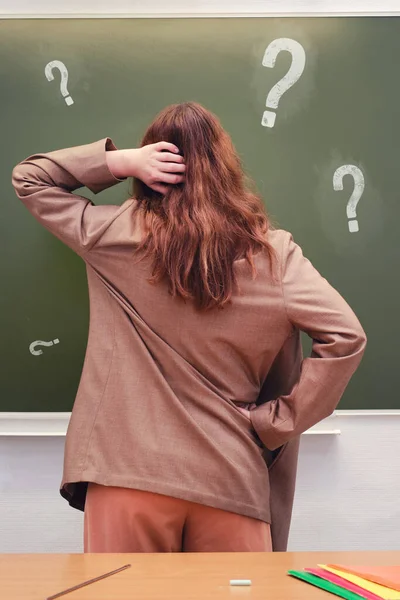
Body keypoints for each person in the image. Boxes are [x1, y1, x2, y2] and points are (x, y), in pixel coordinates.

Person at [12, 102, 366, 553]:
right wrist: (276, 423)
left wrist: (120, 161)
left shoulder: (111, 235)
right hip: (230, 478)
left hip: (126, 473)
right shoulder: (274, 255)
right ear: (226, 168)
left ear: (152, 167)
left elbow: (30, 178)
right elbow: (347, 338)